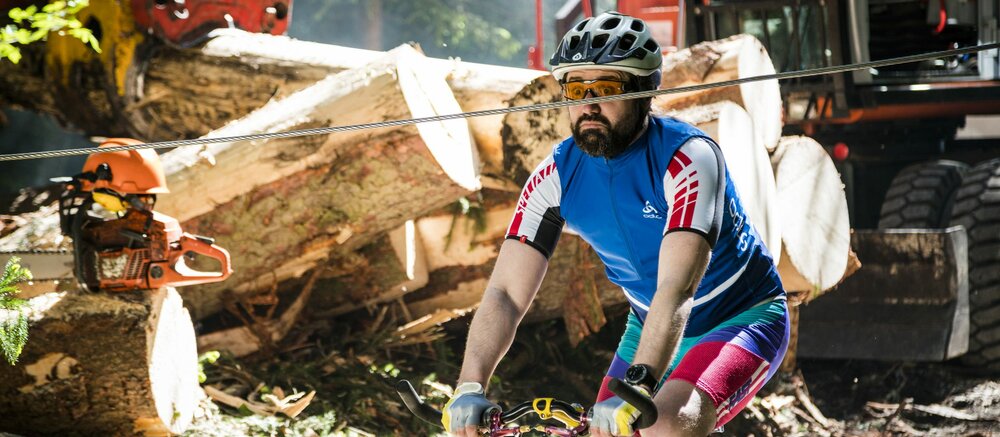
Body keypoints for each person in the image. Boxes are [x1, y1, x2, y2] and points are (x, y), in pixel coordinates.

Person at [441, 11, 790, 437]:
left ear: (643, 91)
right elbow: (506, 294)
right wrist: (469, 385)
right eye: (574, 88)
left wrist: (639, 384)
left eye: (605, 88)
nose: (587, 105)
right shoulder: (553, 178)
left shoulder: (690, 159)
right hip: (650, 324)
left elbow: (677, 289)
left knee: (663, 428)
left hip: (739, 317)